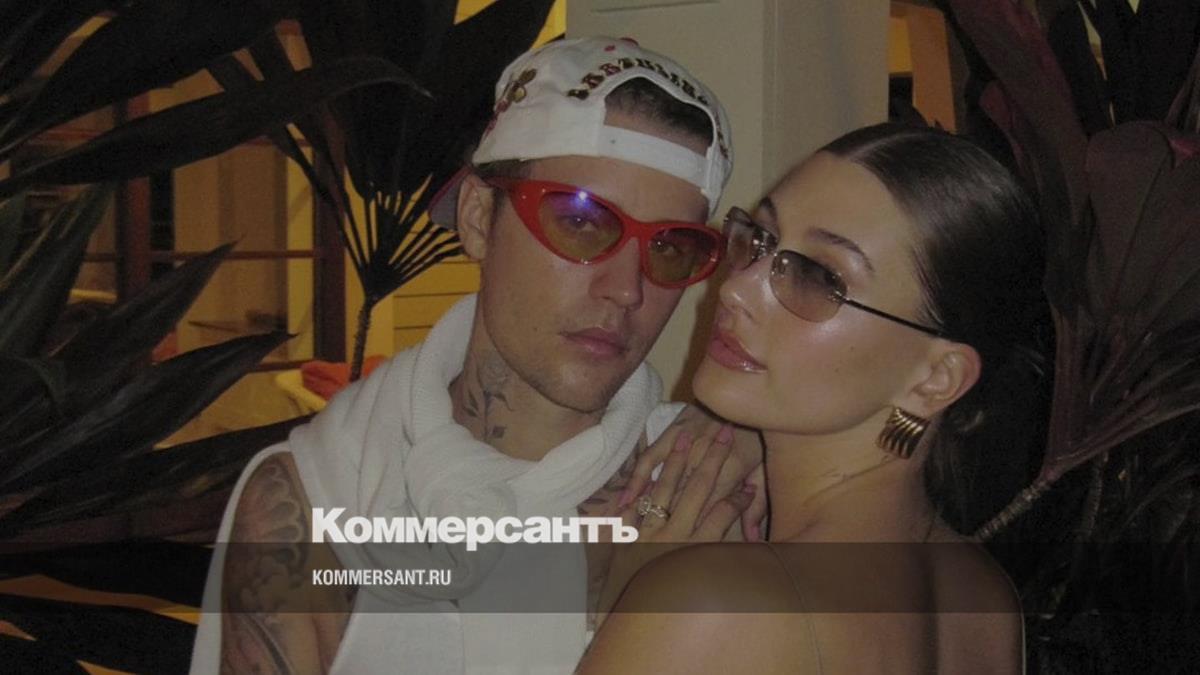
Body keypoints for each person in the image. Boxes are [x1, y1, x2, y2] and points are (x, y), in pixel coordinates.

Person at [189, 36, 765, 675]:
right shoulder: (315, 510)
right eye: (580, 221)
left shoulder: (710, 490)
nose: (627, 289)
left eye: (671, 247)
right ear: (478, 218)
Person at [579, 123, 1045, 674]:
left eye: (819, 277)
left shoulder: (708, 604)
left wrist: (621, 603)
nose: (735, 289)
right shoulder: (984, 597)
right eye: (760, 240)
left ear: (935, 379)